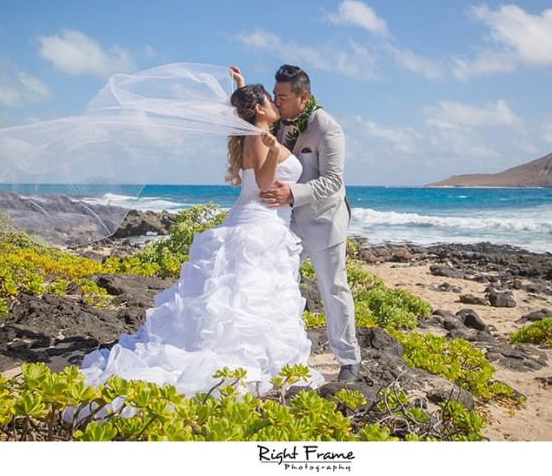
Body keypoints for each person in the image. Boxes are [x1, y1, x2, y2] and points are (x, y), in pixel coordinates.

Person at [69, 76, 326, 419]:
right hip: (259, 226)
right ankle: (239, 363)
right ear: (260, 109)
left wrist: (241, 85)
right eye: (270, 100)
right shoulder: (257, 136)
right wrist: (272, 150)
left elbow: (249, 112)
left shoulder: (251, 130)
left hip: (259, 223)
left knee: (242, 297)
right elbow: (265, 184)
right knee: (245, 298)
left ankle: (250, 359)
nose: (276, 104)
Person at [233, 64, 362, 382]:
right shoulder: (276, 120)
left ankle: (348, 358)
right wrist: (242, 86)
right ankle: (274, 351)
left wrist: (293, 192)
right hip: (283, 223)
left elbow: (333, 181)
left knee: (333, 288)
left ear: (304, 97)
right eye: (273, 96)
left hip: (323, 219)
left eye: (283, 97)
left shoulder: (327, 127)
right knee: (277, 285)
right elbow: (254, 113)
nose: (277, 102)